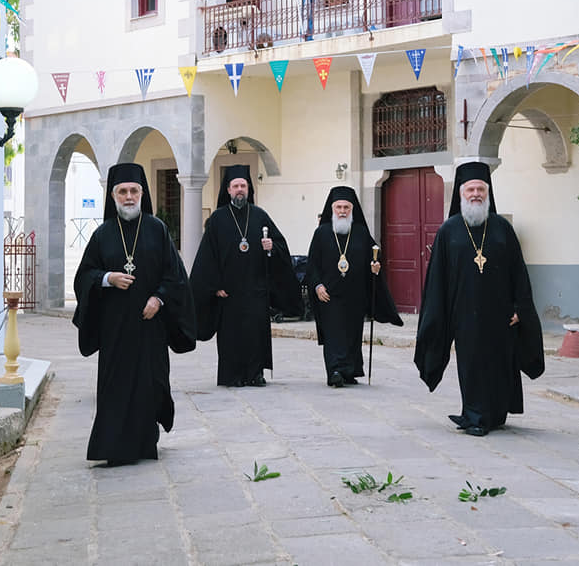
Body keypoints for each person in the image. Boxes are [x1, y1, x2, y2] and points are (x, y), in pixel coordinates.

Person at [73, 163, 196, 465]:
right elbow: (84, 275)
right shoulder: (103, 235)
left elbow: (176, 276)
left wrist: (159, 299)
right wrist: (107, 278)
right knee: (116, 386)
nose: (129, 197)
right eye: (122, 191)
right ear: (113, 196)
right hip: (115, 329)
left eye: (134, 191)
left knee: (149, 384)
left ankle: (144, 443)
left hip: (149, 327)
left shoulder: (157, 229)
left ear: (142, 194)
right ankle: (113, 448)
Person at [414, 161, 545, 436]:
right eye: (470, 189)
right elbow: (437, 279)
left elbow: (518, 272)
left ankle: (495, 414)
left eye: (480, 189)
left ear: (488, 192)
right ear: (461, 193)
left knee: (499, 364)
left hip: (501, 315)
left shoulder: (502, 229)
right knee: (472, 364)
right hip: (464, 315)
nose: (476, 194)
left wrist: (521, 308)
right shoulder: (448, 231)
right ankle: (474, 415)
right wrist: (439, 315)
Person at [190, 164, 302, 387]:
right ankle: (232, 375)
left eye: (243, 185)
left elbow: (280, 247)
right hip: (228, 291)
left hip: (256, 289)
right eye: (236, 186)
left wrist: (271, 247)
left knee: (256, 333)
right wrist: (215, 286)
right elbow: (207, 257)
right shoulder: (217, 220)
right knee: (231, 335)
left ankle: (255, 373)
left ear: (249, 189)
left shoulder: (260, 216)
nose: (240, 189)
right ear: (228, 190)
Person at [305, 186, 402, 387]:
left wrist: (375, 266)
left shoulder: (361, 232)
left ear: (352, 209)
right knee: (333, 334)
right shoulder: (322, 233)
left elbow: (374, 255)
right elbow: (312, 265)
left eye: (346, 207)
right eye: (339, 207)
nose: (342, 211)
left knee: (352, 335)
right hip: (329, 296)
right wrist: (317, 286)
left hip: (355, 296)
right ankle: (335, 371)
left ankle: (350, 371)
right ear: (332, 209)